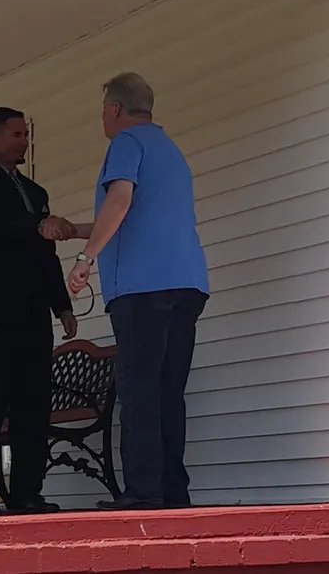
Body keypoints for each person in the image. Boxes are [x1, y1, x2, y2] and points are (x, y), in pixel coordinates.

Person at [61, 72, 210, 510]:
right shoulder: (170, 151)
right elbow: (131, 214)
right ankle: (171, 490)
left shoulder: (126, 144)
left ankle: (143, 492)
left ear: (114, 109)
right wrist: (75, 232)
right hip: (186, 284)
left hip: (143, 287)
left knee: (139, 388)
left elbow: (120, 200)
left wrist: (86, 258)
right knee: (167, 390)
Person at [0, 106, 79, 517]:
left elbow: (46, 257)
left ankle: (27, 492)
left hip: (31, 314)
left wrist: (62, 305)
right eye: (16, 134)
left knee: (33, 404)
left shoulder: (35, 193)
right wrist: (36, 226)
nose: (24, 140)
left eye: (26, 133)